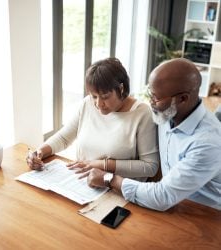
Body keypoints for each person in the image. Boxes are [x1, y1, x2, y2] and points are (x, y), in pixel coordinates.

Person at [86, 58, 221, 211]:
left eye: (156, 98)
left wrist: (108, 178)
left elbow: (163, 196)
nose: (150, 102)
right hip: (171, 205)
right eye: (150, 94)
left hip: (204, 214)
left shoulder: (207, 143)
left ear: (182, 99)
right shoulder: (167, 114)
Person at [27, 57, 159, 181]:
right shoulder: (87, 104)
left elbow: (150, 167)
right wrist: (39, 153)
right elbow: (63, 138)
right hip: (82, 183)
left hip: (119, 191)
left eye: (105, 96)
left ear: (121, 88)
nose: (98, 104)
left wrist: (102, 165)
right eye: (94, 96)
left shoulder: (142, 114)